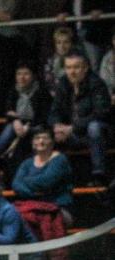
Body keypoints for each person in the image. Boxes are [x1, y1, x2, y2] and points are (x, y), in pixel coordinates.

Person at [48, 52, 111, 185]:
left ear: (85, 68)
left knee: (94, 127)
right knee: (41, 132)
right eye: (68, 68)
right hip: (70, 134)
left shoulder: (97, 84)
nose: (72, 72)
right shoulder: (63, 84)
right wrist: (57, 127)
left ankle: (99, 174)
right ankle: (50, 178)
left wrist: (73, 128)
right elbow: (54, 111)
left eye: (76, 67)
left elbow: (101, 113)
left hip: (96, 134)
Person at [0, 62, 52, 178]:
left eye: (26, 74)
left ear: (33, 76)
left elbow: (43, 115)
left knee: (34, 134)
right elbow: (8, 111)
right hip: (17, 124)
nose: (22, 77)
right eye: (19, 74)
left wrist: (28, 126)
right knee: (10, 129)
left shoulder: (41, 92)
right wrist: (16, 121)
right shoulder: (13, 91)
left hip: (36, 124)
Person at [12, 126, 74, 227]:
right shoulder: (27, 163)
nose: (41, 141)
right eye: (37, 138)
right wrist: (36, 194)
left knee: (33, 219)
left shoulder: (60, 160)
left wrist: (26, 181)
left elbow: (46, 181)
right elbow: (16, 184)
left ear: (52, 142)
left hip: (58, 208)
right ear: (33, 143)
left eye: (45, 138)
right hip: (32, 206)